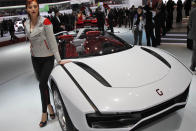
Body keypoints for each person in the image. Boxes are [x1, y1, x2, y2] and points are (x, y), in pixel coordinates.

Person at [24, 0, 70, 127]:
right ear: (27, 9)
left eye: (35, 6)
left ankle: (44, 113)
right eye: (30, 7)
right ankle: (50, 107)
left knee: (42, 84)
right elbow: (31, 40)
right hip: (35, 58)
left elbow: (52, 41)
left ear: (38, 8)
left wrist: (59, 59)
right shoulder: (26, 23)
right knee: (42, 85)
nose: (33, 9)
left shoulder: (45, 22)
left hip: (47, 58)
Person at [188, 2, 196, 71]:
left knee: (195, 51)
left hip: (194, 34)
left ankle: (193, 66)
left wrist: (193, 30)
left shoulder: (192, 11)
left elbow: (189, 24)